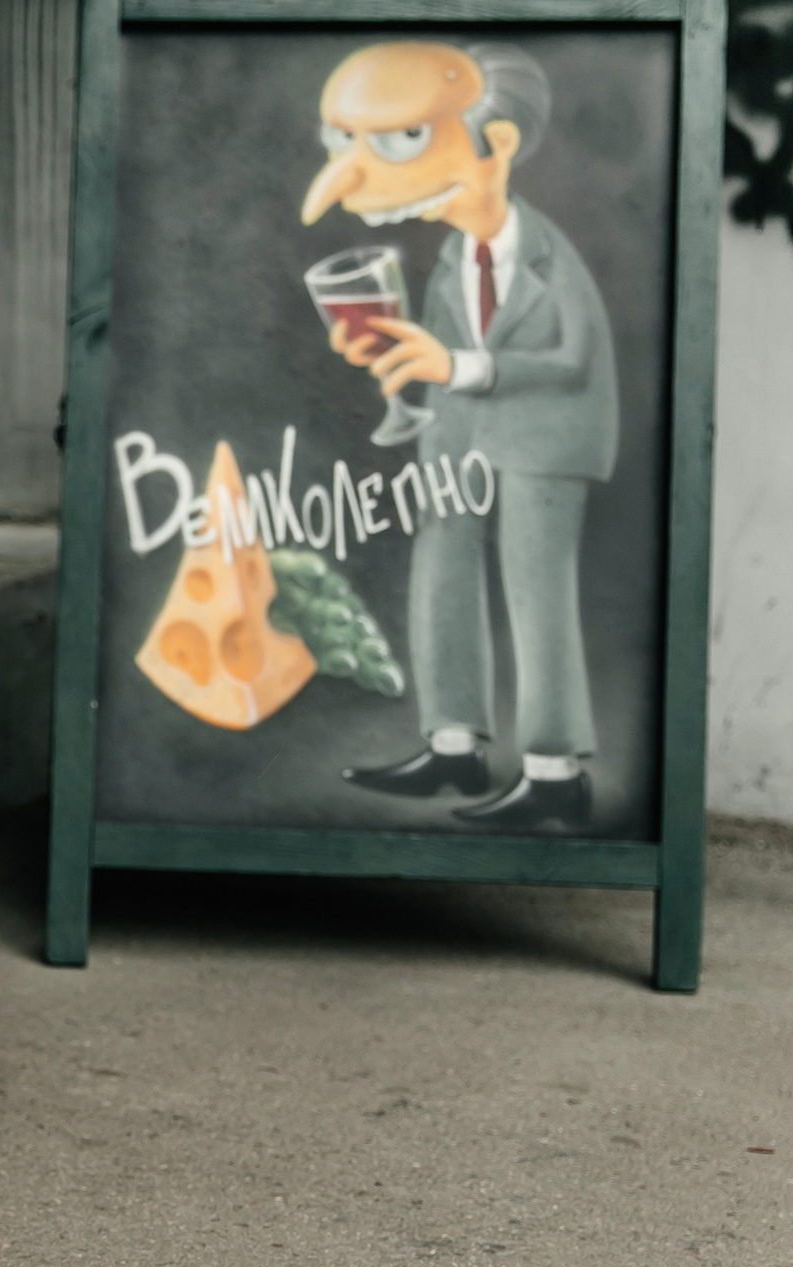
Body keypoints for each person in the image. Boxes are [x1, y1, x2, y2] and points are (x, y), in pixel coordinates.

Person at [305, 41, 619, 829]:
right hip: (462, 434)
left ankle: (553, 771)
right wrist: (399, 359)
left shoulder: (547, 258)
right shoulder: (453, 254)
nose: (354, 174)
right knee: (440, 562)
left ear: (498, 145)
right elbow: (445, 357)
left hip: (547, 438)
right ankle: (454, 745)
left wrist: (458, 363)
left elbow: (569, 359)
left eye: (403, 138)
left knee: (535, 583)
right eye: (343, 145)